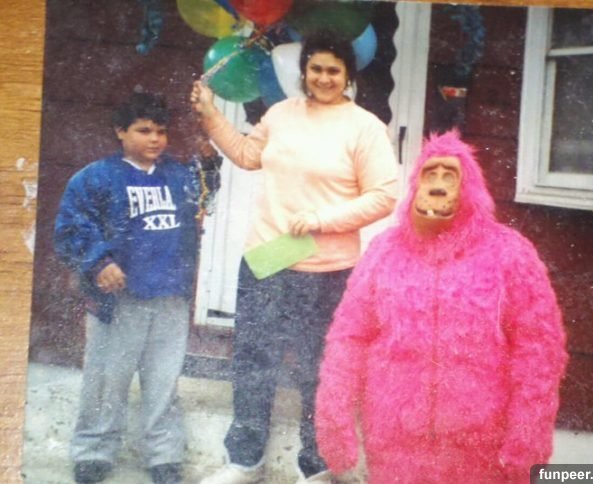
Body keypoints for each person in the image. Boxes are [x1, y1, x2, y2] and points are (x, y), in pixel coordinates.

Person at [190, 30, 398, 484]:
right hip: (267, 258)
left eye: (333, 70)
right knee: (253, 363)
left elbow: (384, 196)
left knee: (317, 371)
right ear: (303, 72)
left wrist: (323, 218)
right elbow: (248, 155)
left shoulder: (365, 127)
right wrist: (210, 115)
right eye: (315, 68)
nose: (323, 78)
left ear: (348, 75)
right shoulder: (281, 113)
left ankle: (315, 466)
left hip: (327, 269)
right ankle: (244, 462)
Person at [315, 130, 569, 483]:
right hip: (394, 446)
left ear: (471, 188)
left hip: (480, 449)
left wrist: (527, 443)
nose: (437, 186)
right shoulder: (384, 251)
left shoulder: (509, 253)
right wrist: (335, 427)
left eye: (449, 176)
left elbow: (539, 350)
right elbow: (348, 338)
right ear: (414, 185)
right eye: (429, 174)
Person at [54, 92, 220, 484]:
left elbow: (205, 198)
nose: (155, 139)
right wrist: (100, 262)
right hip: (119, 298)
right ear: (120, 131)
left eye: (161, 131)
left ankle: (164, 455)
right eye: (144, 131)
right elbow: (71, 227)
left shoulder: (176, 174)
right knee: (106, 379)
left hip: (169, 294)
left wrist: (209, 163)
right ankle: (94, 450)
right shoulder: (96, 176)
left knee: (163, 381)